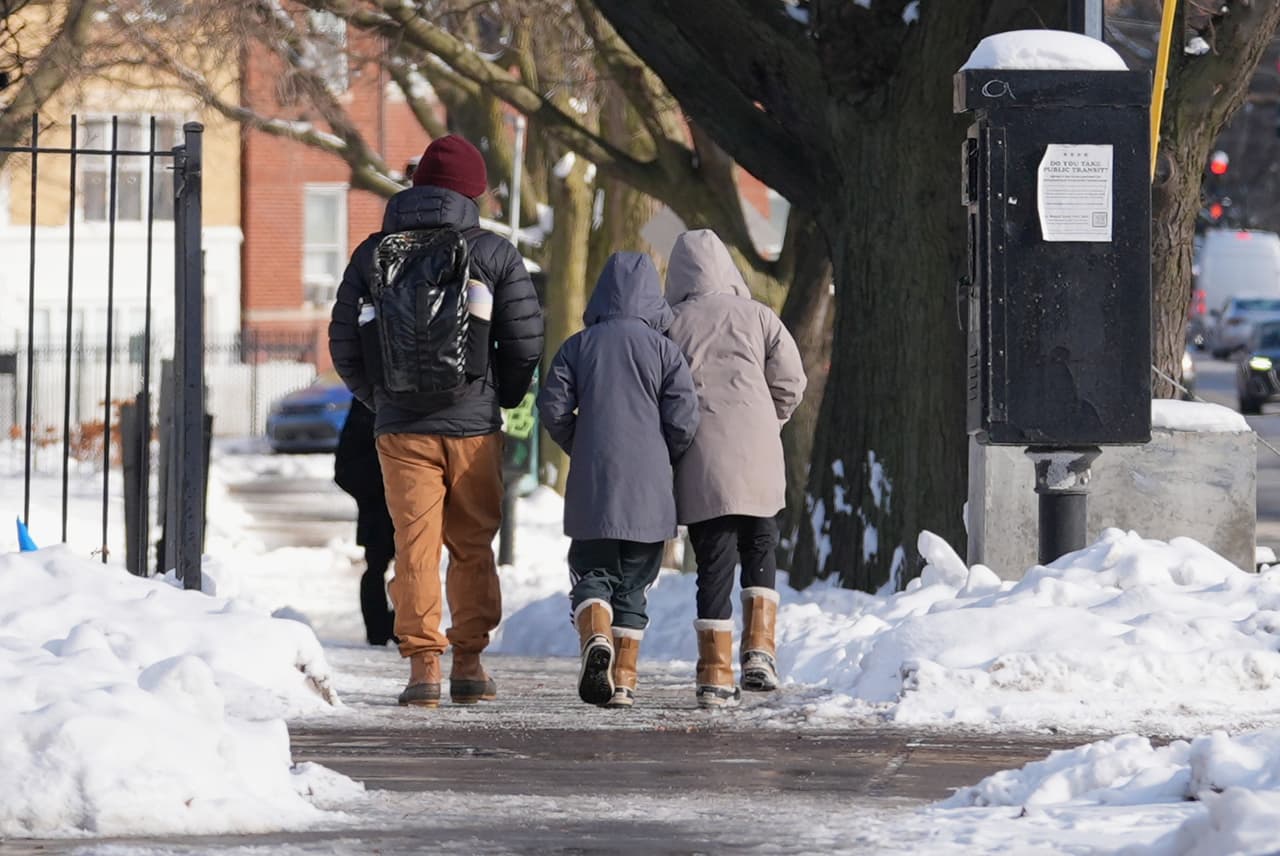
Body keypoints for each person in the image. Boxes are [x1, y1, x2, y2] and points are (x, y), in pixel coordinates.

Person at [329, 135, 543, 707]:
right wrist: (501, 396)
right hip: (473, 426)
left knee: (414, 544)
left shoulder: (374, 252)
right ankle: (468, 663)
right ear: (474, 192)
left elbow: (344, 342)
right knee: (473, 545)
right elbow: (525, 341)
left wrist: (379, 400)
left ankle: (423, 669)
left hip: (401, 429)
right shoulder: (494, 253)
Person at [537, 252, 699, 709]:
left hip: (595, 486)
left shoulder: (577, 346)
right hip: (649, 491)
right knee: (634, 586)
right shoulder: (666, 351)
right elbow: (684, 417)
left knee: (593, 572)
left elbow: (552, 407)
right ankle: (624, 681)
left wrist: (580, 443)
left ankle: (596, 636)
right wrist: (662, 455)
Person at [664, 229, 806, 709]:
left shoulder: (670, 324)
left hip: (702, 461)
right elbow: (792, 381)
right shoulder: (759, 316)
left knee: (714, 563)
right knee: (760, 545)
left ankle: (714, 673)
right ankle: (760, 652)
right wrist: (770, 421)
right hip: (760, 456)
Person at [333, 400, 396, 647]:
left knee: (415, 565)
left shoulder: (368, 403)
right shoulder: (367, 404)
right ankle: (380, 629)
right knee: (377, 566)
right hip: (378, 505)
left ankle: (405, 624)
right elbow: (344, 469)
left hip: (407, 501)